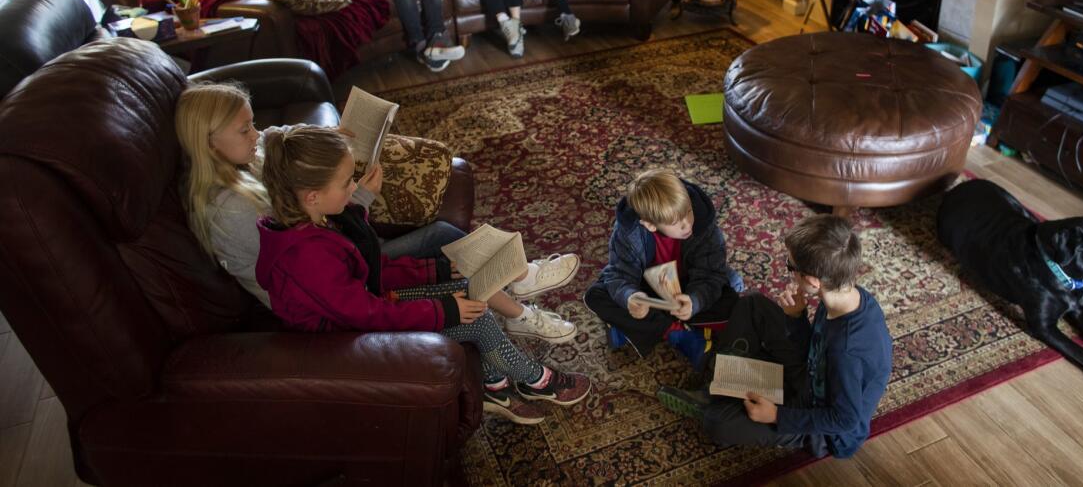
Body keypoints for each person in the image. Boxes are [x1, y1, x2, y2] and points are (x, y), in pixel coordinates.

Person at [175, 82, 580, 347]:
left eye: (252, 124)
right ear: (211, 144)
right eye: (244, 129)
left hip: (338, 251)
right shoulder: (232, 211)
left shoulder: (247, 157)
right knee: (441, 237)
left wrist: (326, 137)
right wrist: (363, 200)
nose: (255, 133)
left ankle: (520, 281)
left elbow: (275, 137)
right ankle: (521, 295)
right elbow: (312, 264)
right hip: (333, 274)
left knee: (444, 242)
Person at [253, 124, 592, 424]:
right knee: (476, 316)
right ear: (313, 196)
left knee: (468, 291)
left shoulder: (323, 221)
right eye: (346, 183)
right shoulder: (306, 256)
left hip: (364, 312)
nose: (354, 187)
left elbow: (371, 272)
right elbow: (366, 314)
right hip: (345, 343)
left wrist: (438, 268)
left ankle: (493, 383)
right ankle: (535, 380)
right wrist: (443, 309)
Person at [656, 215, 893, 458]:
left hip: (821, 428)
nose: (788, 272)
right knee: (753, 305)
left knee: (717, 422)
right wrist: (796, 317)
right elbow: (817, 348)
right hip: (812, 377)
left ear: (812, 281)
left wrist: (777, 416)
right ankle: (718, 384)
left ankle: (719, 393)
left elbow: (845, 420)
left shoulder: (846, 351)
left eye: (791, 268)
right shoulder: (843, 295)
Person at [583, 168, 742, 369]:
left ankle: (629, 329)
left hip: (687, 287)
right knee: (596, 294)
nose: (687, 225)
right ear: (649, 225)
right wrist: (631, 298)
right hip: (648, 289)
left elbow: (710, 274)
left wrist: (694, 301)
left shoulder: (702, 222)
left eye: (688, 212)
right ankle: (678, 334)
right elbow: (620, 274)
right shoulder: (629, 230)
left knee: (733, 297)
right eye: (676, 222)